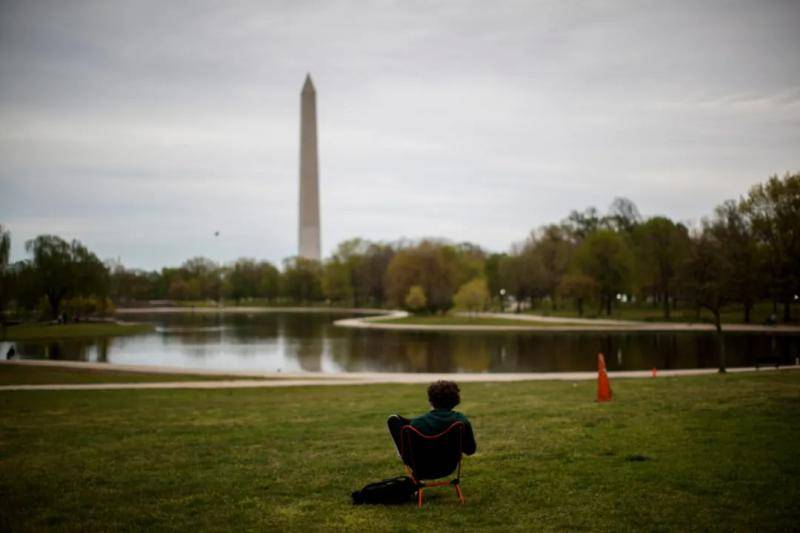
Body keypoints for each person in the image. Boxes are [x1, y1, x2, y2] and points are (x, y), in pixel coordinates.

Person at [387, 380, 476, 457]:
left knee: (394, 420)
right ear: (456, 401)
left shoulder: (416, 424)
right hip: (449, 466)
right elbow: (470, 450)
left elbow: (411, 452)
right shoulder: (462, 421)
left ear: (430, 401)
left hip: (422, 468)